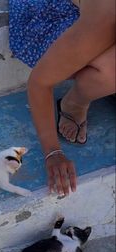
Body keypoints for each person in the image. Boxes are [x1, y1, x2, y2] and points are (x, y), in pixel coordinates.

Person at [9, 0, 115, 196]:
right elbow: (40, 83)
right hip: (48, 10)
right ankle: (75, 102)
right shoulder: (104, 17)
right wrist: (53, 151)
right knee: (112, 69)